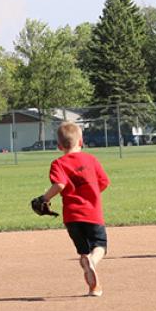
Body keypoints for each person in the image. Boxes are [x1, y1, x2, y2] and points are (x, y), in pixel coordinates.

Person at [38, 121, 110, 297]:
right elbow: (104, 182)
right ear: (81, 141)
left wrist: (44, 198)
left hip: (71, 217)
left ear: (59, 146)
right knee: (100, 246)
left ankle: (94, 288)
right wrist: (91, 192)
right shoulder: (91, 160)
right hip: (92, 213)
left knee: (83, 252)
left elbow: (60, 184)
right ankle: (93, 261)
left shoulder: (58, 163)